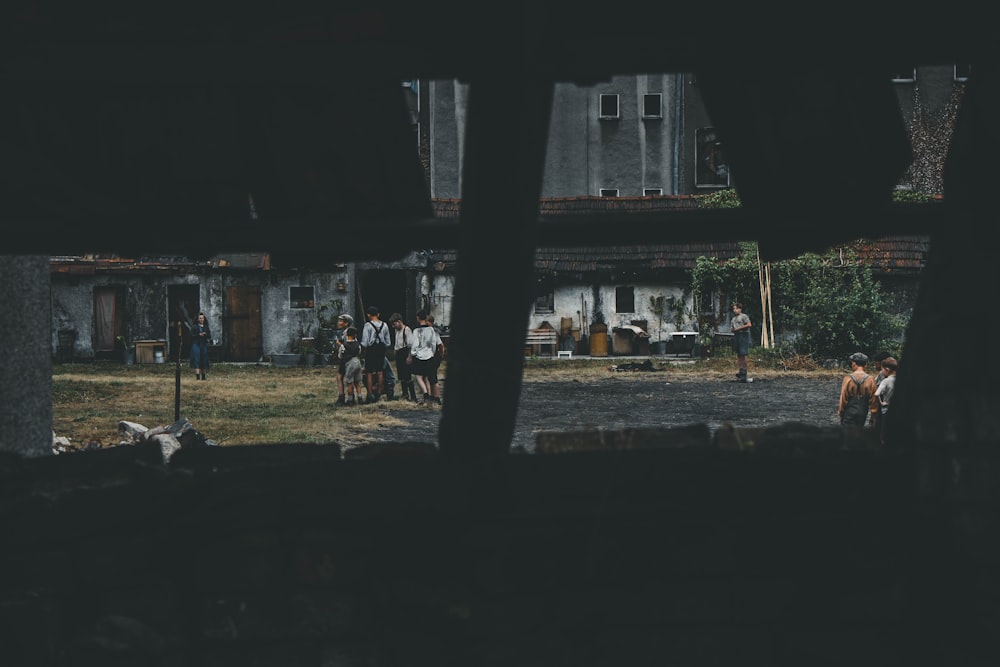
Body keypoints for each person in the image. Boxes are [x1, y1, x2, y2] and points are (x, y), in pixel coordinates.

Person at [408, 309, 443, 405]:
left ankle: (426, 394)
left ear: (418, 318)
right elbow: (433, 343)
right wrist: (432, 352)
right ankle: (436, 397)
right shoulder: (431, 330)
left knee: (419, 376)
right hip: (429, 355)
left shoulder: (416, 331)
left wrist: (413, 353)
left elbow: (414, 344)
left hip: (419, 356)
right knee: (431, 377)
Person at [838, 352, 878, 427]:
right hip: (862, 412)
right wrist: (873, 416)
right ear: (865, 365)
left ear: (854, 363)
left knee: (847, 435)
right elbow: (874, 400)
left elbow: (843, 398)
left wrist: (841, 413)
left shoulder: (848, 378)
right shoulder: (871, 379)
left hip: (849, 412)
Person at [360, 305, 391, 403]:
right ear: (378, 314)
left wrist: (363, 349)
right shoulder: (384, 325)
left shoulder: (368, 325)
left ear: (368, 314)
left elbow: (364, 341)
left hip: (371, 349)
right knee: (380, 371)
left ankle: (369, 394)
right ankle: (379, 392)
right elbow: (388, 342)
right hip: (380, 348)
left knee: (369, 371)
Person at [389, 312, 417, 401]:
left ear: (399, 321)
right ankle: (405, 394)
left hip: (405, 352)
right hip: (399, 353)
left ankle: (413, 396)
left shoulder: (407, 330)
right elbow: (397, 342)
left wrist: (409, 356)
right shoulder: (396, 330)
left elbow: (410, 344)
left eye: (394, 324)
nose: (394, 326)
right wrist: (395, 350)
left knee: (407, 375)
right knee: (401, 375)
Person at [873, 356, 897, 442]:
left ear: (887, 369)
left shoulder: (885, 381)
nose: (881, 372)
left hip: (886, 410)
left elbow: (876, 394)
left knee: (883, 434)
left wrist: (881, 403)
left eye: (882, 370)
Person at [333, 313, 354, 406]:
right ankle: (349, 398)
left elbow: (348, 347)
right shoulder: (346, 332)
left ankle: (342, 398)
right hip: (348, 359)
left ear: (346, 323)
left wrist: (339, 345)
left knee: (340, 377)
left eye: (341, 321)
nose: (339, 322)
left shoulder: (347, 333)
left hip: (346, 359)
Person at [339, 327, 363, 406]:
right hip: (357, 362)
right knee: (358, 381)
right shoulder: (357, 344)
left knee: (349, 382)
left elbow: (340, 355)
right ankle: (360, 397)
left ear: (346, 334)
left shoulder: (344, 345)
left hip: (349, 364)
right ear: (355, 335)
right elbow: (359, 352)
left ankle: (350, 399)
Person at [730, 302, 752, 382]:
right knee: (739, 354)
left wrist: (739, 328)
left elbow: (749, 324)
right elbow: (732, 328)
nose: (735, 310)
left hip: (743, 335)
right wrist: (733, 330)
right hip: (736, 336)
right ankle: (741, 371)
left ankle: (745, 372)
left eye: (736, 308)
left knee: (743, 354)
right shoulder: (733, 319)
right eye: (734, 309)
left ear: (740, 309)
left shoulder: (743, 316)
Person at [189, 312, 211, 380]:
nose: (201, 319)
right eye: (200, 318)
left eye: (202, 318)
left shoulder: (206, 327)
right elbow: (191, 336)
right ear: (198, 319)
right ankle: (197, 375)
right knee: (197, 359)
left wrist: (205, 334)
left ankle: (204, 375)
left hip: (203, 344)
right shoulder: (194, 326)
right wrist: (198, 335)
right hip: (196, 344)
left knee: (204, 359)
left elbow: (209, 336)